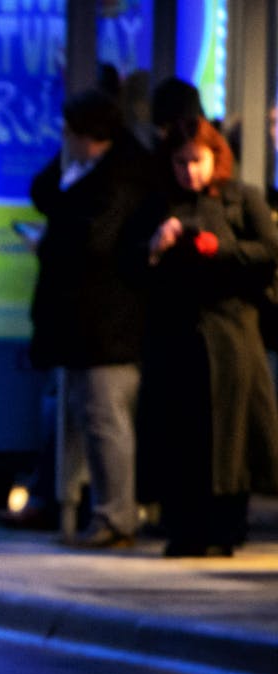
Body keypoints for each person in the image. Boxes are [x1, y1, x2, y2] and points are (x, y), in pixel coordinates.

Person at [24, 88, 156, 548]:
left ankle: (116, 516)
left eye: (71, 134)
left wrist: (51, 243)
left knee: (105, 421)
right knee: (85, 418)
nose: (65, 141)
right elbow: (43, 193)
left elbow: (93, 242)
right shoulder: (92, 170)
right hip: (86, 324)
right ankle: (87, 509)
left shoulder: (120, 179)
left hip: (107, 324)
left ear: (89, 135)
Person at [140, 118, 278, 557]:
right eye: (180, 163)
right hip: (179, 335)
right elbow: (131, 263)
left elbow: (269, 251)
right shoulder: (161, 203)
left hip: (232, 333)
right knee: (183, 431)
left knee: (230, 433)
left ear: (215, 157)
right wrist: (157, 247)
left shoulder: (243, 198)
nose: (190, 172)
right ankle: (187, 527)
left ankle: (225, 525)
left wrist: (219, 248)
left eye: (197, 162)